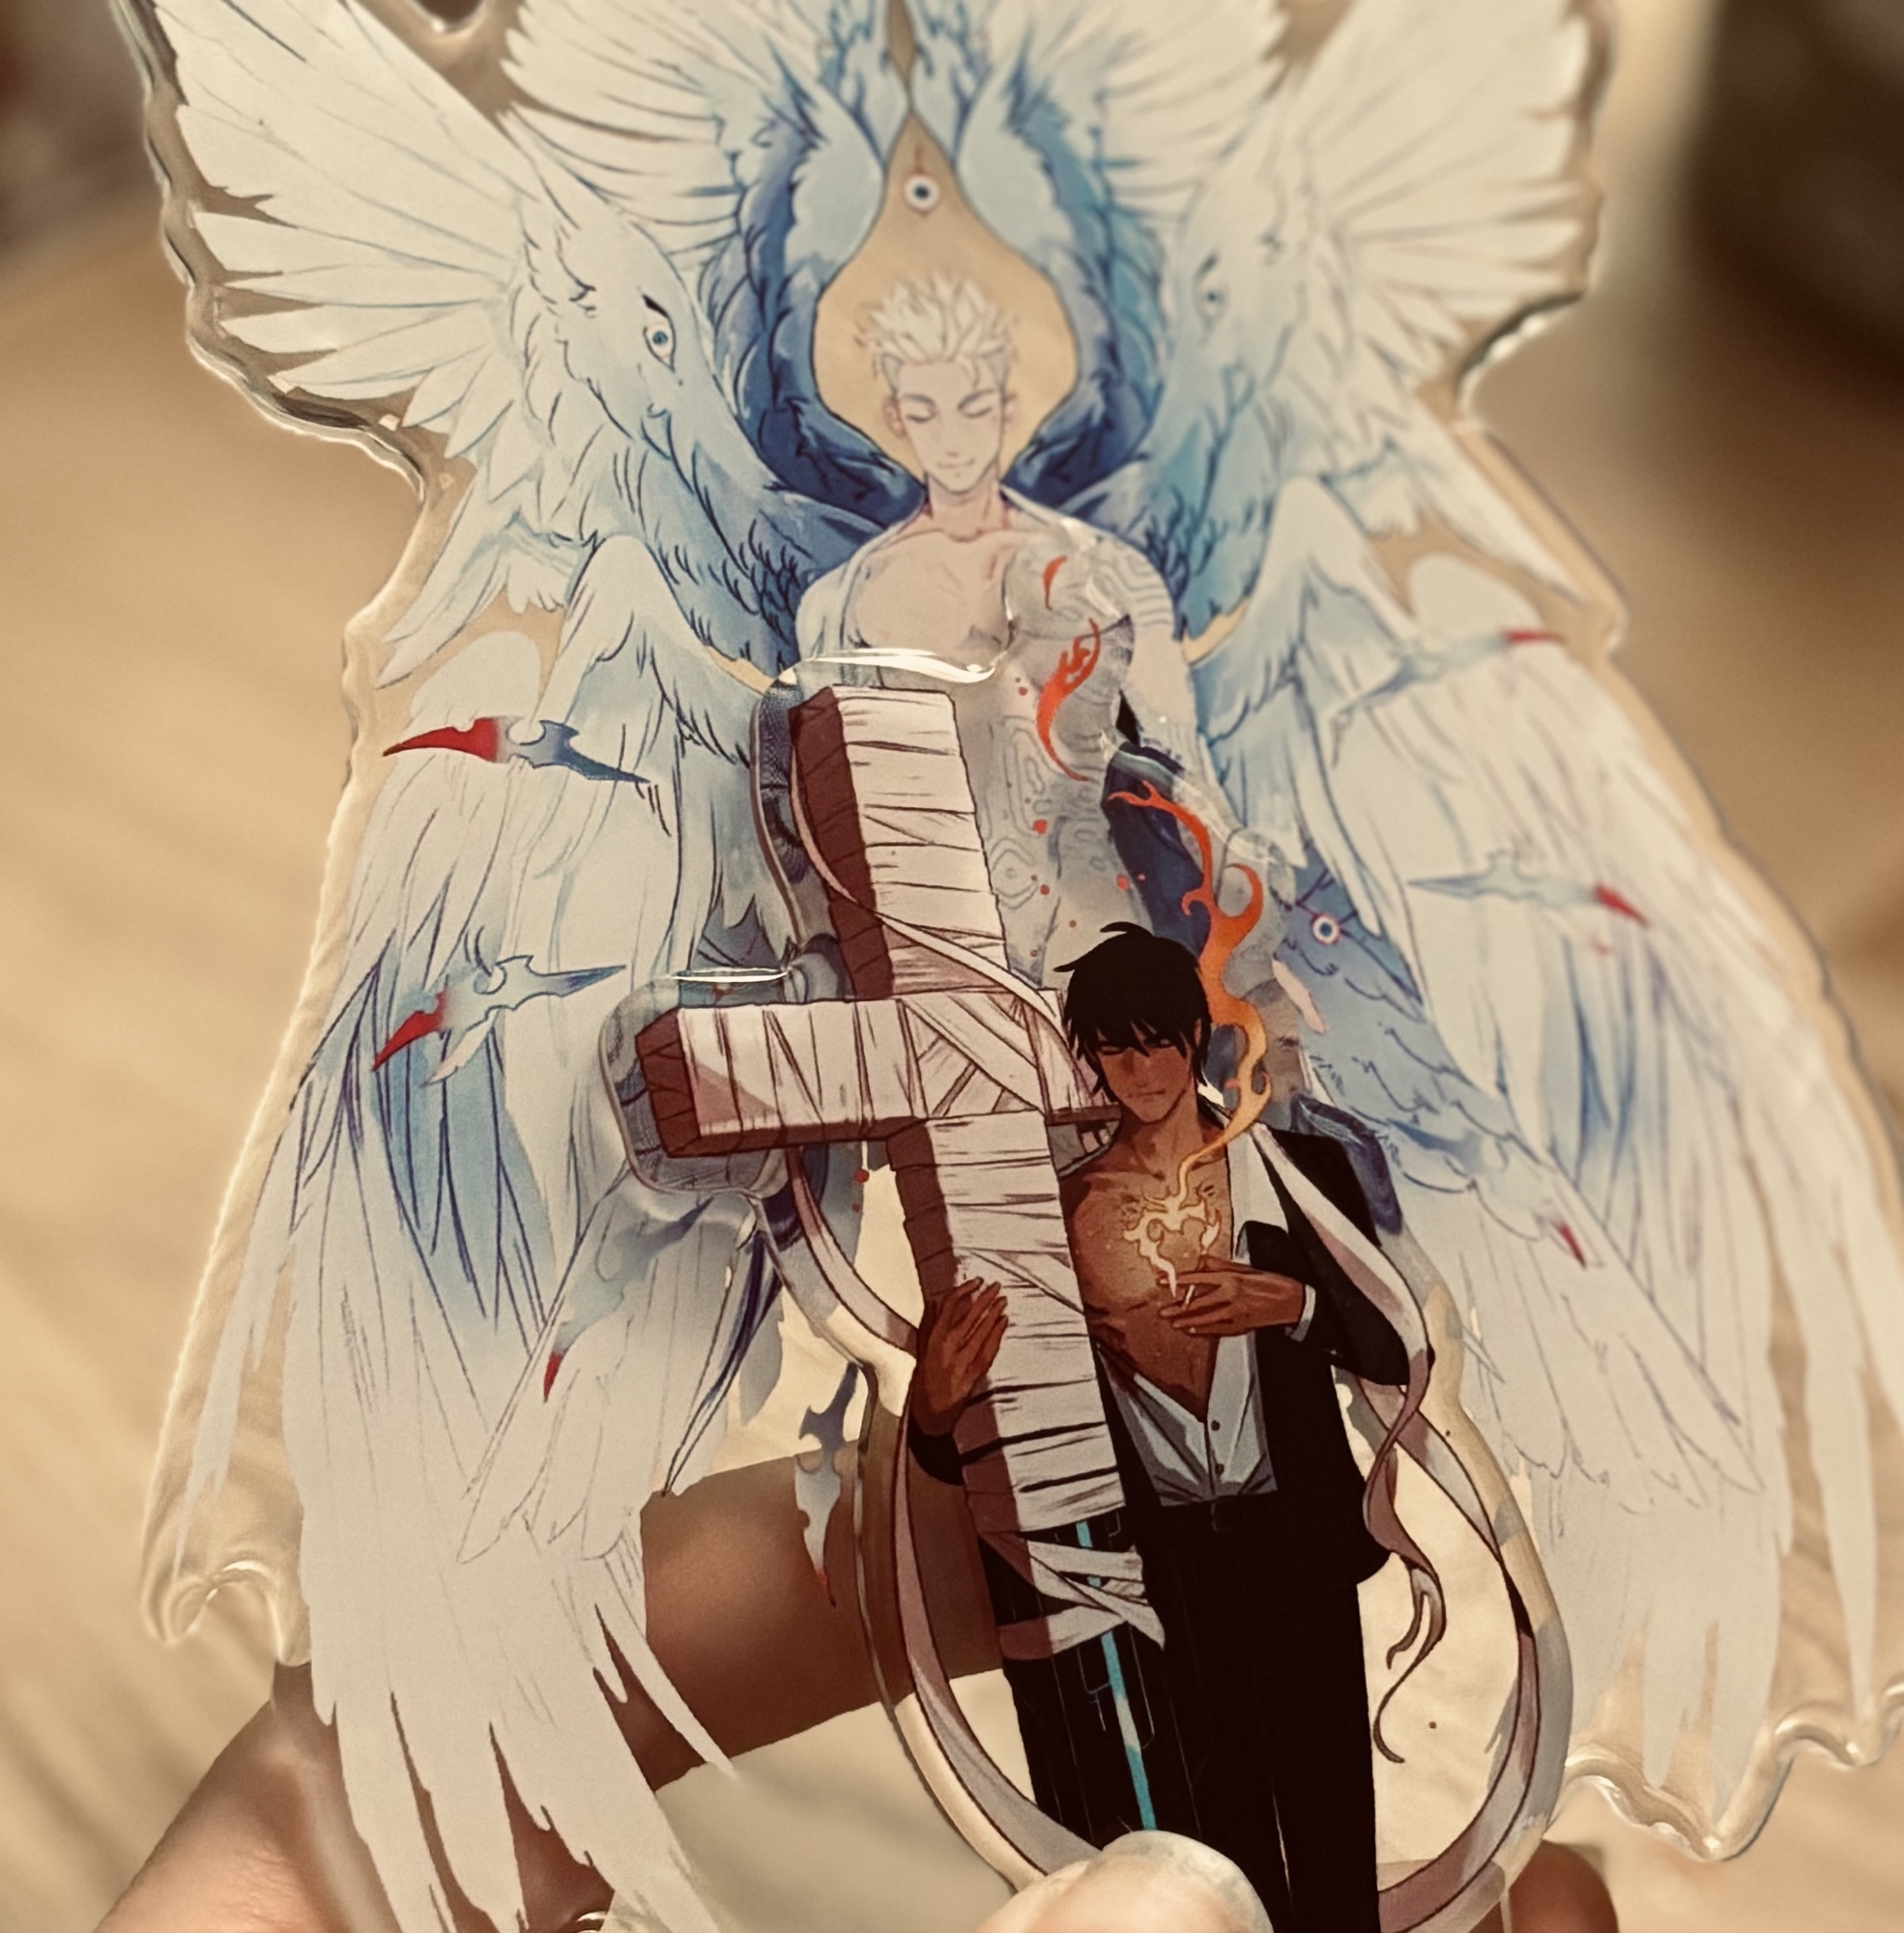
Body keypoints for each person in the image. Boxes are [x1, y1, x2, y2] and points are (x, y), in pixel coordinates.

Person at [913, 926, 1412, 1933]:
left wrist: (1295, 1305)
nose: (1137, 1070)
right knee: (1213, 1833)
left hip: (1297, 1545)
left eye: (1154, 1043)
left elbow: (1399, 1346)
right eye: (1113, 1048)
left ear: (1194, 1037)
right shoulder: (1057, 1217)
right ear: (1089, 1057)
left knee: (1329, 1817)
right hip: (1160, 1568)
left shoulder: (1299, 1171)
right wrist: (933, 1404)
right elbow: (996, 1439)